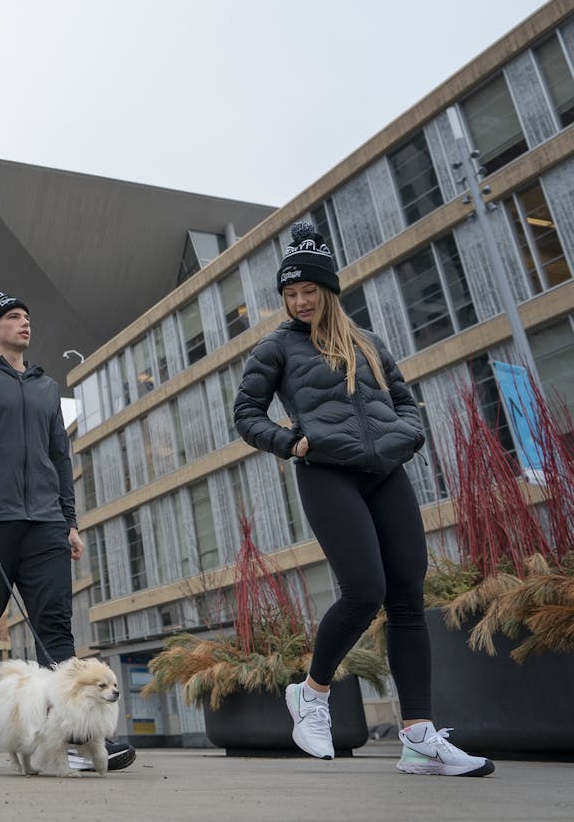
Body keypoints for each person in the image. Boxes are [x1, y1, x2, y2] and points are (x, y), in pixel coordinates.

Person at [233, 221, 494, 777]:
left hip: (385, 473)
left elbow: (405, 402)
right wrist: (291, 442)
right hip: (326, 471)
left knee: (406, 598)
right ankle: (312, 693)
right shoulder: (277, 346)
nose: (300, 302)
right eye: (290, 294)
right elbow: (245, 414)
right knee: (365, 590)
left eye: (309, 291)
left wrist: (406, 437)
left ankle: (420, 736)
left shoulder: (369, 342)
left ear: (329, 291)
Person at [0, 290, 136, 774]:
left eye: (27, 316)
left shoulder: (47, 388)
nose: (24, 323)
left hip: (45, 521)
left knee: (56, 631)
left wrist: (68, 519)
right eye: (12, 317)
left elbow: (59, 456)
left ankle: (75, 738)